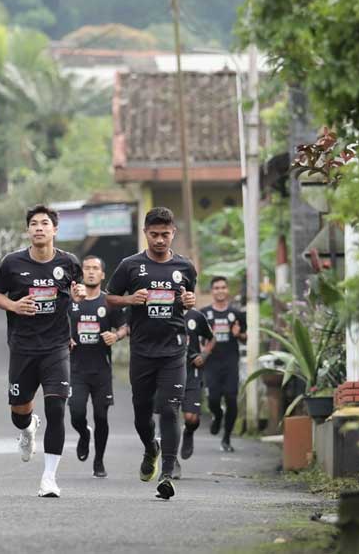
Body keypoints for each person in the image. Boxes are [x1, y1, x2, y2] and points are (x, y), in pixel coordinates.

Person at [0, 204, 85, 498]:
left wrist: (79, 294)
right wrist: (14, 306)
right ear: (28, 230)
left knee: (56, 409)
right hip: (23, 346)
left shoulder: (69, 262)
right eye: (34, 223)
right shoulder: (12, 263)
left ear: (55, 230)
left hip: (56, 346)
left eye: (45, 223)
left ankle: (49, 478)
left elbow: (77, 291)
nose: (39, 228)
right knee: (19, 412)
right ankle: (28, 427)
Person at [106, 207, 197, 500]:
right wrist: (130, 299)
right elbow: (109, 299)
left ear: (173, 233)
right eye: (154, 234)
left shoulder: (185, 267)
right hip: (143, 352)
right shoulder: (130, 265)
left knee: (170, 410)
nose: (159, 240)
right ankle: (150, 448)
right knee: (142, 414)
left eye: (165, 234)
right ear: (145, 232)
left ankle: (167, 473)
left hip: (174, 351)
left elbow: (188, 300)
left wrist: (189, 301)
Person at [68, 255, 128, 478]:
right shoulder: (71, 301)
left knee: (101, 417)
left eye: (95, 268)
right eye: (87, 268)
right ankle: (84, 434)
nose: (91, 272)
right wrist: (65, 337)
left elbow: (125, 326)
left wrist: (116, 336)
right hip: (76, 369)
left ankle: (99, 461)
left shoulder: (109, 302)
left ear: (103, 274)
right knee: (76, 414)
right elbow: (56, 324)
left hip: (101, 370)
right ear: (81, 273)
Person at [201, 276, 248, 452]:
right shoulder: (204, 314)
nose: (220, 290)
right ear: (212, 291)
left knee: (231, 399)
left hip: (230, 362)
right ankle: (218, 415)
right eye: (216, 288)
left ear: (227, 290)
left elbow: (245, 337)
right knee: (213, 399)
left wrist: (239, 334)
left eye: (223, 287)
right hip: (211, 363)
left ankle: (227, 438)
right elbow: (196, 337)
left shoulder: (237, 314)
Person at [173, 305, 214, 479]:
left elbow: (212, 338)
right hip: (169, 371)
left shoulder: (196, 316)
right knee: (170, 417)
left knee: (191, 418)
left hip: (192, 373)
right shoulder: (162, 312)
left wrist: (203, 355)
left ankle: (189, 431)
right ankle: (171, 461)